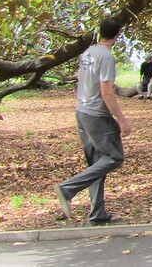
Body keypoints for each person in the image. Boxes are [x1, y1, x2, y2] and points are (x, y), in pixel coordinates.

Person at [57, 16, 132, 225]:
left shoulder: (87, 53)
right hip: (97, 115)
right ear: (117, 35)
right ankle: (67, 188)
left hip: (82, 112)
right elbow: (107, 92)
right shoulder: (106, 57)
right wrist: (122, 120)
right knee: (114, 157)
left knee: (96, 164)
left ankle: (97, 215)